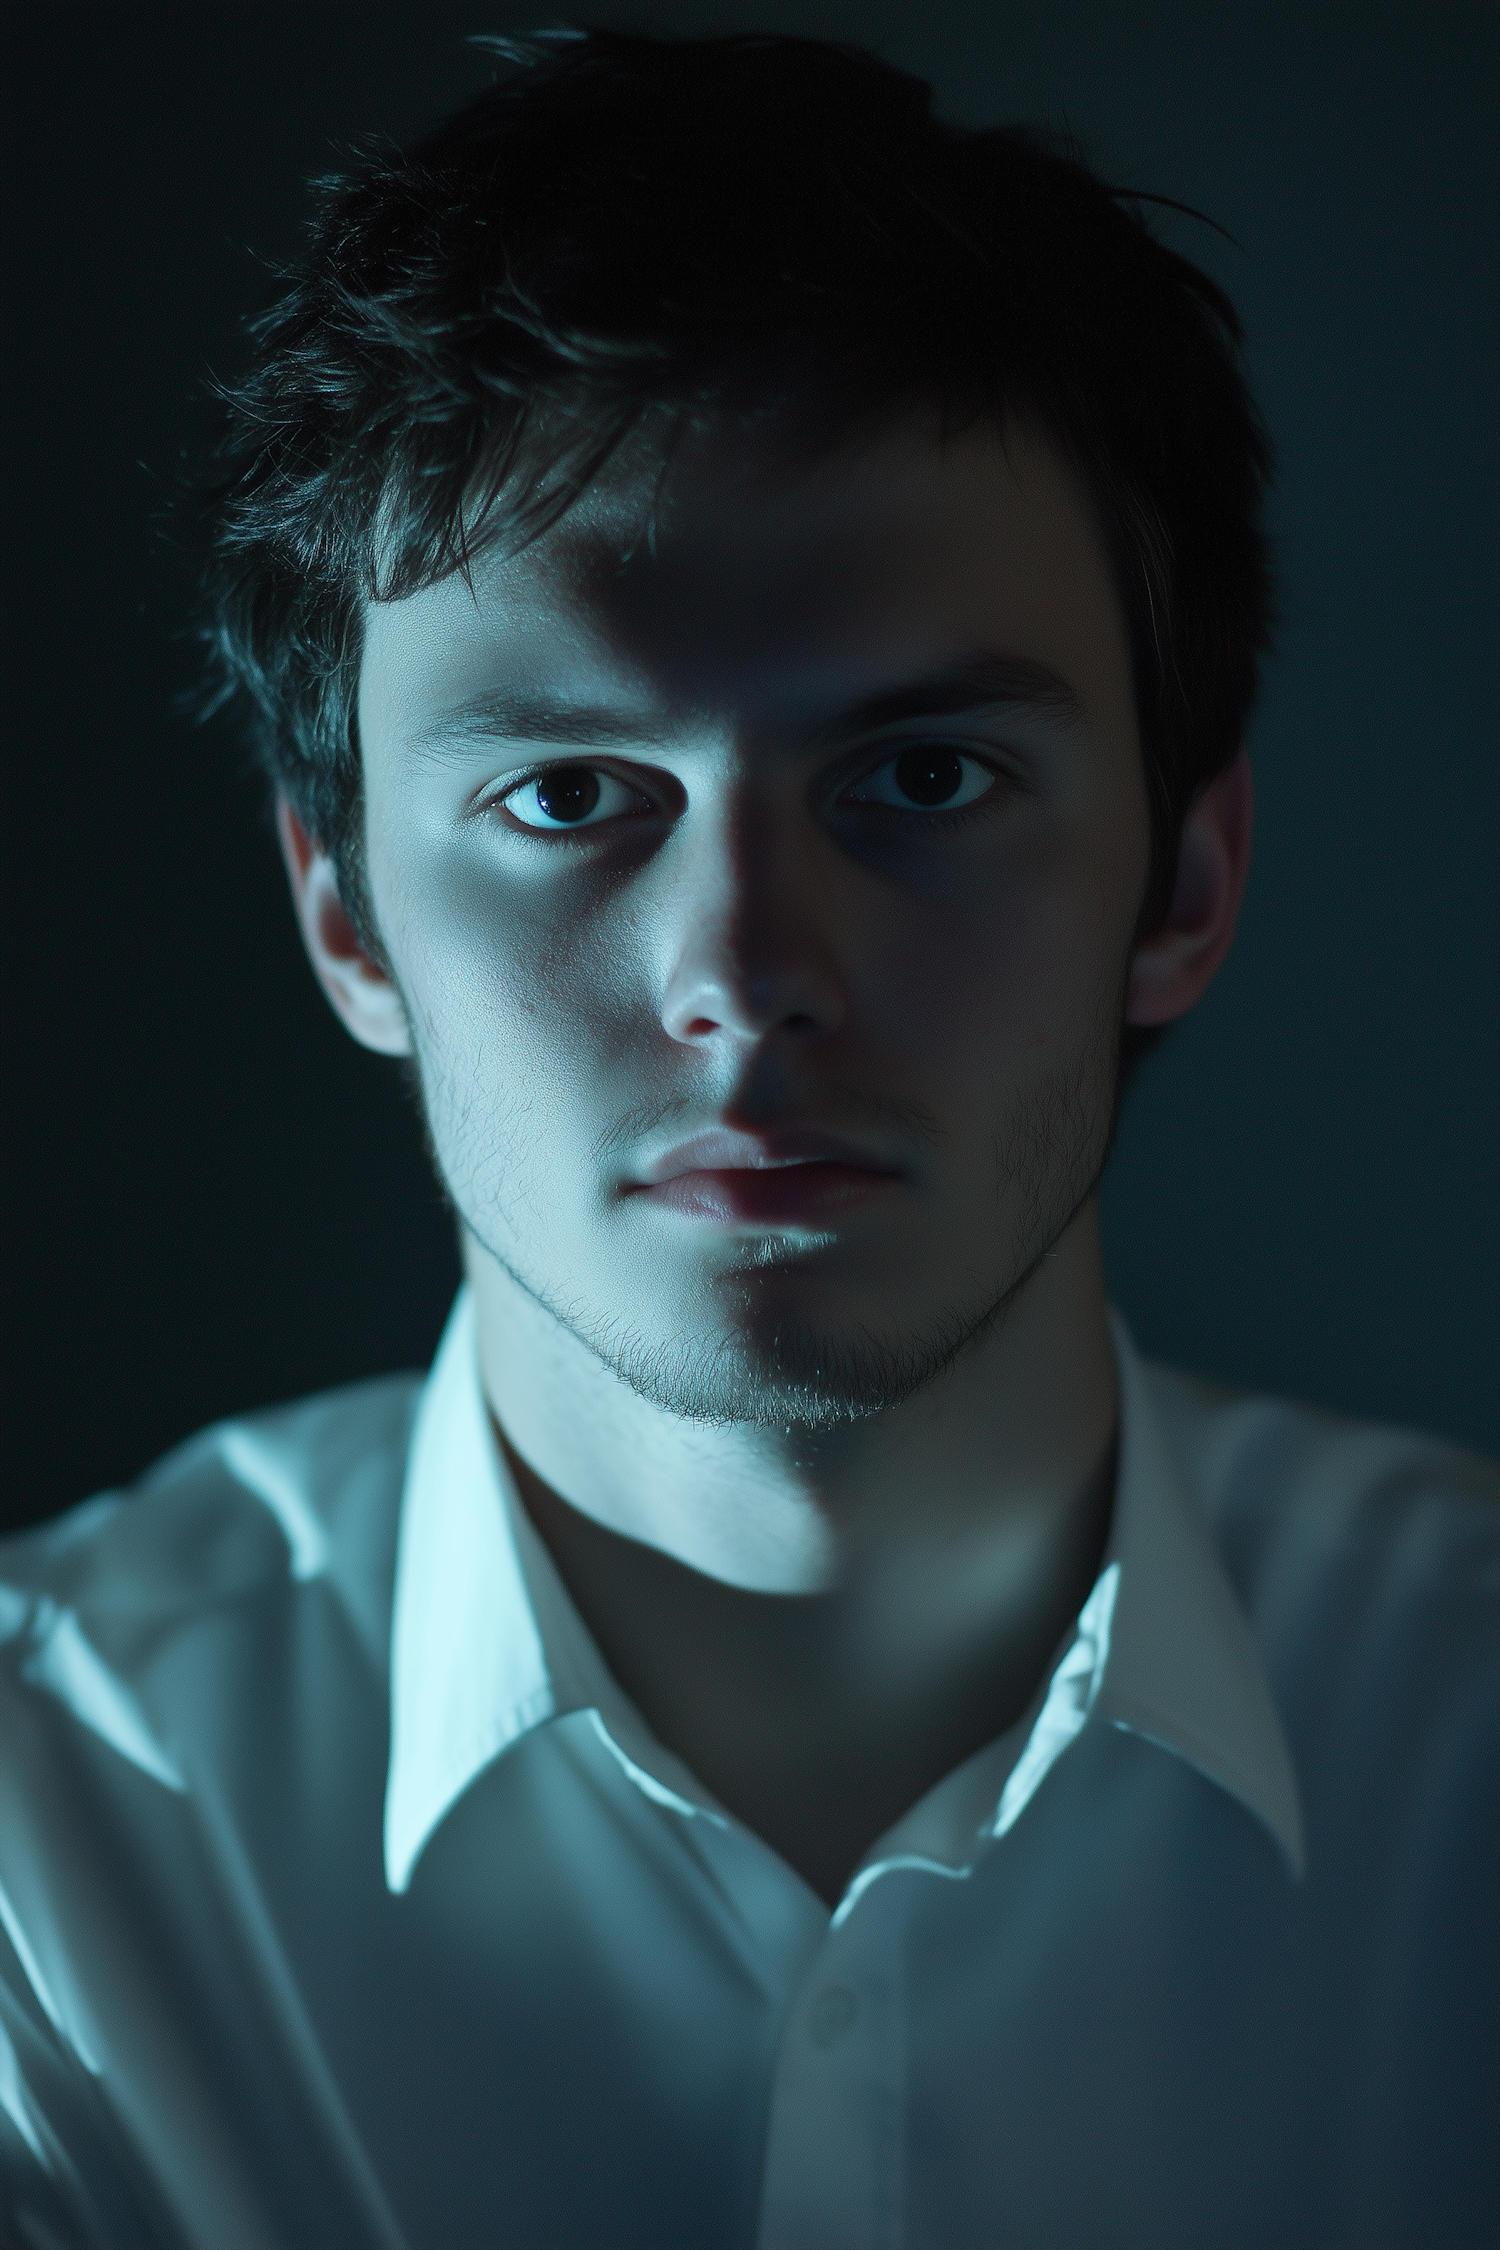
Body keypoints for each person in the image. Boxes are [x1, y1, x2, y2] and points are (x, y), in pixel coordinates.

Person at [0, 27, 1494, 2249]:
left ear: (1182, 883)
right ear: (348, 915)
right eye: (567, 797)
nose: (745, 967)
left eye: (921, 780)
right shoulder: (43, 1850)